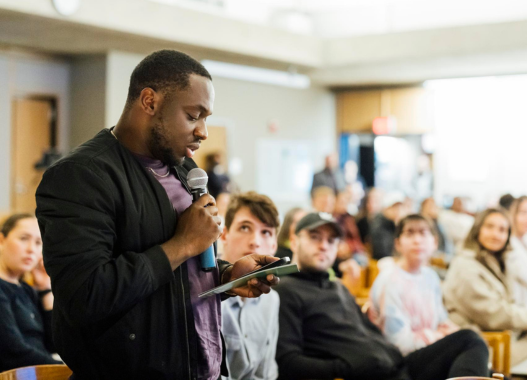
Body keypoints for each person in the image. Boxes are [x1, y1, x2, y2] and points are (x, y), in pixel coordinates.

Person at [36, 50, 279, 380]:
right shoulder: (82, 176)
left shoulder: (183, 168)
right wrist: (183, 244)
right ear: (149, 101)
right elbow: (85, 295)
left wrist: (226, 276)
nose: (203, 131)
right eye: (194, 116)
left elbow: (180, 270)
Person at [275, 212, 490, 380]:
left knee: (470, 340)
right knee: (471, 344)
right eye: (315, 237)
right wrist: (347, 368)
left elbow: (370, 333)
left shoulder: (337, 288)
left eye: (331, 241)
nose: (324, 245)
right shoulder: (286, 290)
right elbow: (287, 361)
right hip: (370, 375)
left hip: (397, 366)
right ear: (294, 241)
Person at [443, 209, 527, 365]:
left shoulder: (497, 260)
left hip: (505, 337)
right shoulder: (465, 266)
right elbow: (496, 315)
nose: (495, 234)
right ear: (477, 230)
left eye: (502, 230)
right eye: (489, 227)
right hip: (483, 346)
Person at [369, 214, 480, 358]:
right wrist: (442, 337)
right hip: (400, 362)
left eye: (423, 233)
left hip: (429, 352)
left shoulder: (430, 276)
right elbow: (399, 343)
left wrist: (453, 334)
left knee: (473, 342)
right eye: (410, 233)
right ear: (398, 243)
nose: (417, 240)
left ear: (434, 242)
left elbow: (441, 321)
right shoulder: (390, 280)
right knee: (469, 340)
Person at [220, 192, 280, 380]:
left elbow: (266, 371)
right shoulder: (205, 293)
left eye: (266, 232)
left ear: (273, 246)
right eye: (245, 227)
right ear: (224, 236)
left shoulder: (271, 299)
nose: (255, 241)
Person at [0, 214, 62, 372]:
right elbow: (13, 352)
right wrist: (67, 369)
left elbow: (55, 344)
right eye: (23, 238)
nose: (31, 249)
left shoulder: (28, 290)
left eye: (38, 242)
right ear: (1, 241)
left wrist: (45, 288)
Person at [370, 191, 406, 260]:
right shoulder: (379, 223)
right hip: (383, 261)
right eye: (394, 207)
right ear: (386, 208)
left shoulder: (394, 223)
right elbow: (382, 251)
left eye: (400, 207)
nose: (398, 210)